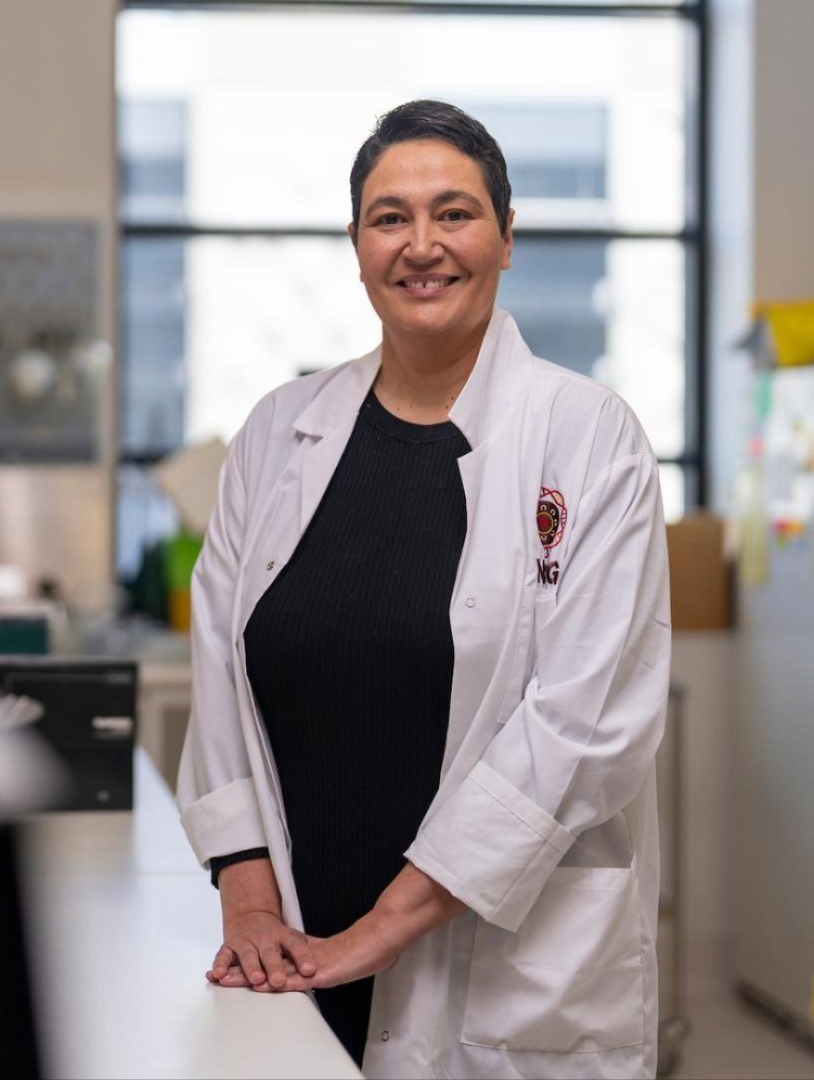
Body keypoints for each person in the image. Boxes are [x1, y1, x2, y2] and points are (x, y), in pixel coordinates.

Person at [176, 99, 671, 1079]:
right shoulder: (280, 433)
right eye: (389, 218)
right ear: (357, 247)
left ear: (506, 238)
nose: (422, 245)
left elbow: (584, 726)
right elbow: (220, 677)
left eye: (455, 213)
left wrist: (381, 930)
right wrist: (248, 897)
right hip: (292, 953)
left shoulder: (589, 438)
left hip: (489, 963)